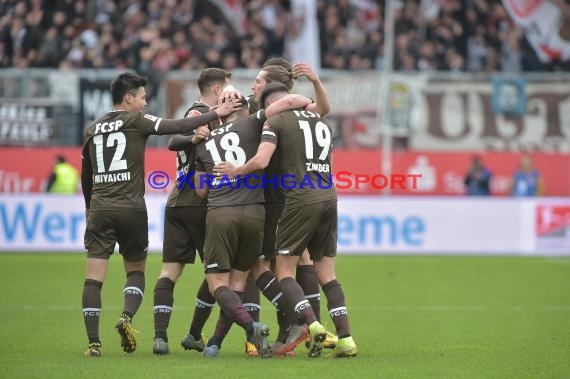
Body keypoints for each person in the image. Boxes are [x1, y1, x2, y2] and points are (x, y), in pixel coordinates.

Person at [80, 72, 241, 357]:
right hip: (131, 208)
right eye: (142, 97)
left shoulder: (91, 129)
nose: (145, 103)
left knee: (94, 279)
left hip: (100, 208)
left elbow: (86, 175)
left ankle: (94, 343)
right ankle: (127, 317)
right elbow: (175, 125)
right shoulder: (136, 120)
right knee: (137, 271)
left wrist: (89, 207)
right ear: (128, 98)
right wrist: (217, 113)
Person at [214, 82, 358, 358]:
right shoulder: (321, 122)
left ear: (271, 103)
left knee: (283, 271)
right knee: (327, 274)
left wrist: (236, 171)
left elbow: (261, 161)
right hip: (329, 196)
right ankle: (346, 339)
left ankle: (312, 325)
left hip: (298, 200)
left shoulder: (274, 120)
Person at [152, 68, 232, 355]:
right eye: (226, 87)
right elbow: (179, 145)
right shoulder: (200, 113)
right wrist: (196, 139)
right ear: (216, 90)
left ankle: (160, 336)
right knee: (219, 273)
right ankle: (195, 334)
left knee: (170, 272)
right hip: (198, 202)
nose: (229, 92)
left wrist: (194, 138)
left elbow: (175, 142)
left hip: (176, 203)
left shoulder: (198, 115)